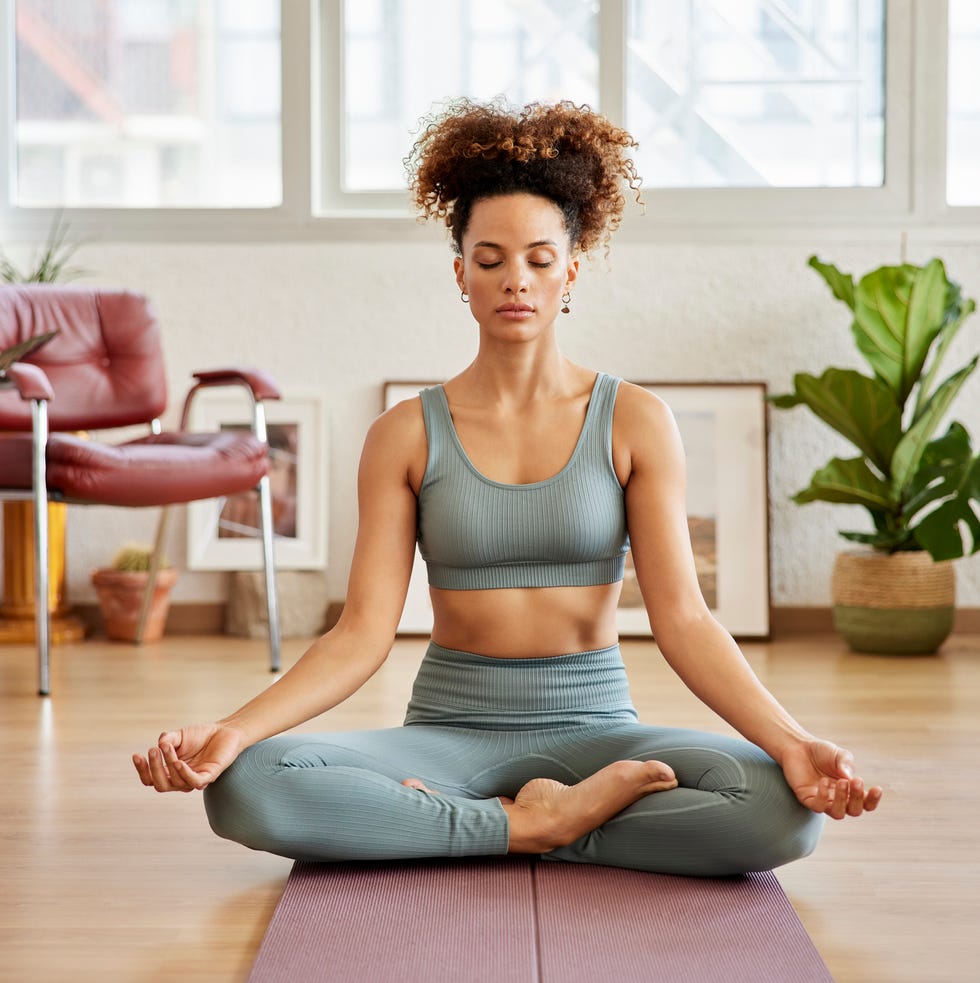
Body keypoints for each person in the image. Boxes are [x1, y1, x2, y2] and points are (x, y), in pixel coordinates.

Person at [134, 99, 881, 876]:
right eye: (489, 260)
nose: (514, 281)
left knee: (779, 810)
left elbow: (685, 620)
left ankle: (469, 825)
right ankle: (537, 824)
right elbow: (359, 633)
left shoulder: (634, 420)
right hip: (448, 730)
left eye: (538, 259)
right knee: (248, 786)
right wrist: (233, 730)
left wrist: (793, 743)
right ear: (460, 273)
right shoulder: (405, 432)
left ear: (572, 269)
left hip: (599, 727)